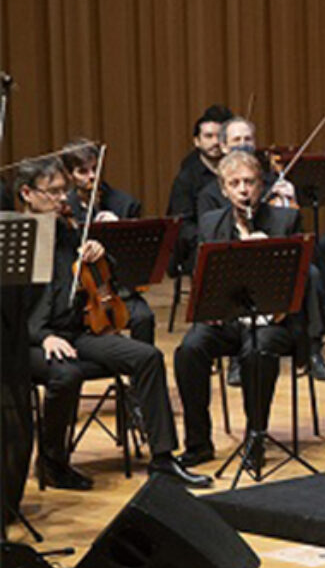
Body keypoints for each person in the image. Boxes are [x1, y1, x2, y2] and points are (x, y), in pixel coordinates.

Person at [19, 157, 211, 489]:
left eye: (64, 190)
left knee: (146, 357)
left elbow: (106, 279)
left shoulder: (68, 230)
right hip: (27, 341)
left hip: (78, 330)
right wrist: (43, 337)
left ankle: (163, 460)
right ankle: (52, 462)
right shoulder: (16, 240)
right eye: (52, 192)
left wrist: (100, 253)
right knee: (67, 373)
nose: (63, 199)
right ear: (27, 193)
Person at [172, 151, 305, 471]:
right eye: (235, 183)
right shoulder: (210, 222)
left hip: (272, 320)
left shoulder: (284, 221)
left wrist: (269, 255)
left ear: (262, 185)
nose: (243, 190)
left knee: (256, 352)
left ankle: (255, 437)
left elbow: (300, 279)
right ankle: (198, 443)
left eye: (250, 182)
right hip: (227, 318)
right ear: (223, 189)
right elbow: (204, 277)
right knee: (189, 349)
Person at [60, 138, 156, 345]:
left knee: (144, 317)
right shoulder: (63, 209)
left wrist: (118, 230)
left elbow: (136, 258)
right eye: (82, 171)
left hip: (117, 289)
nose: (92, 176)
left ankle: (142, 372)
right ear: (69, 175)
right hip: (80, 294)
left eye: (95, 168)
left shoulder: (124, 204)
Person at [167, 104, 233, 276]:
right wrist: (211, 240)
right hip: (199, 246)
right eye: (208, 136)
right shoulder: (186, 178)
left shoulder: (235, 171)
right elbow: (182, 224)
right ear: (197, 141)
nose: (214, 142)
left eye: (219, 136)